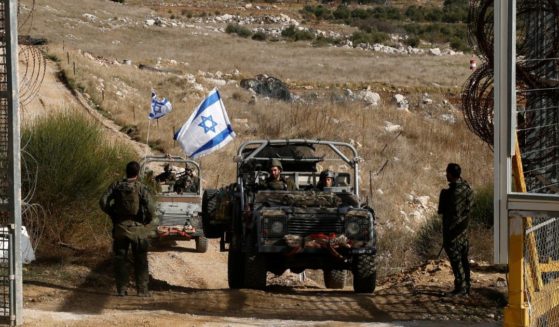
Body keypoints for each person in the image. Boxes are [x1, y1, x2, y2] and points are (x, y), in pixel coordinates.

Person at [99, 161, 156, 297]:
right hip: (138, 229)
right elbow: (151, 208)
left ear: (126, 171)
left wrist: (112, 213)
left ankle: (121, 290)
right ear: (138, 173)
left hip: (120, 228)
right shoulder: (141, 187)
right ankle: (142, 291)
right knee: (141, 259)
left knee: (120, 259)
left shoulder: (116, 186)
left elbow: (103, 201)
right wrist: (147, 220)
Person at [438, 163, 474, 296]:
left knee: (456, 261)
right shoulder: (467, 189)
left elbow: (443, 211)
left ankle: (461, 287)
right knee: (464, 259)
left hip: (452, 232)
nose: (446, 175)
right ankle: (467, 285)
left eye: (447, 173)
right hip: (463, 232)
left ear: (451, 175)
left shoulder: (451, 193)